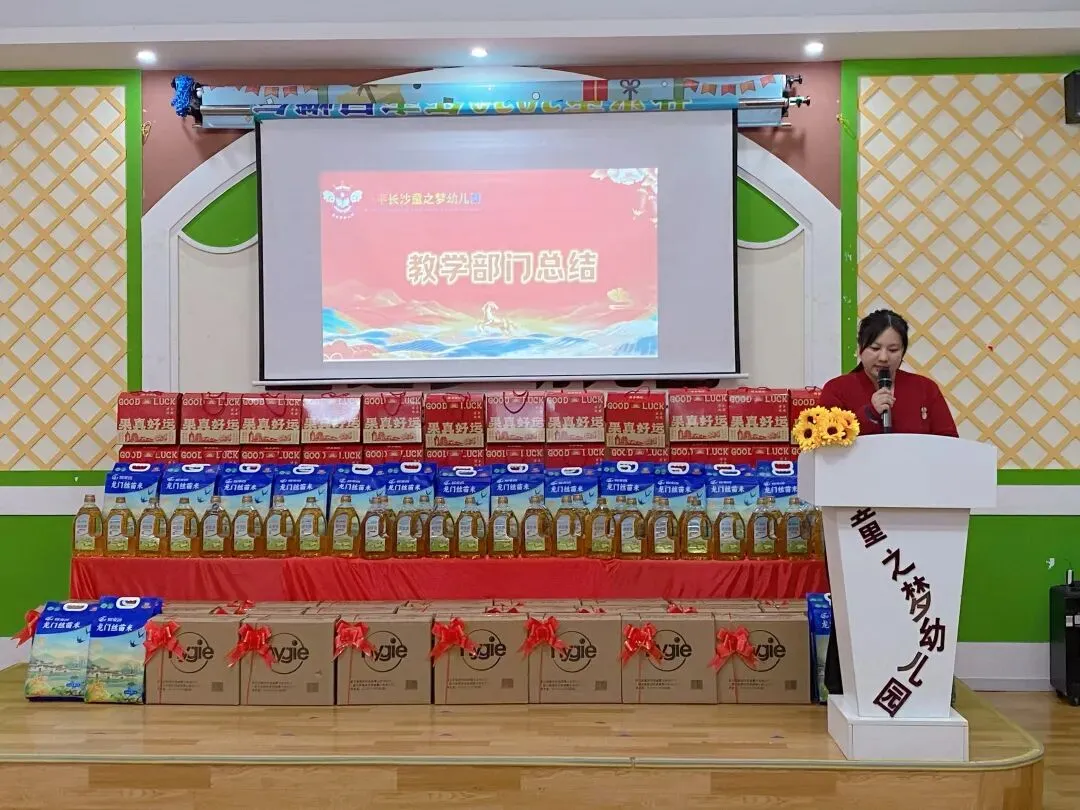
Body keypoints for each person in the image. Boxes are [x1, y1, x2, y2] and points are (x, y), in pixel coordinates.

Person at [818, 309, 959, 697]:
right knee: (858, 600)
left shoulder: (924, 389)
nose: (884, 357)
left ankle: (925, 685)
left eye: (894, 349)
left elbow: (948, 444)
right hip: (855, 519)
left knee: (917, 599)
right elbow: (825, 445)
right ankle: (848, 685)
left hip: (916, 516)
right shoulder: (837, 389)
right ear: (860, 348)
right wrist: (869, 412)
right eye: (875, 347)